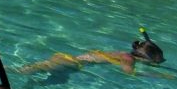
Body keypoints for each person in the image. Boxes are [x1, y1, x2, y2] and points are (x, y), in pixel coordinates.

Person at [17, 28, 165, 76]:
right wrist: (157, 76)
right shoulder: (129, 59)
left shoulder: (123, 53)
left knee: (40, 78)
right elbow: (129, 73)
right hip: (71, 63)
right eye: (153, 63)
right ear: (145, 58)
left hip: (71, 62)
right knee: (23, 71)